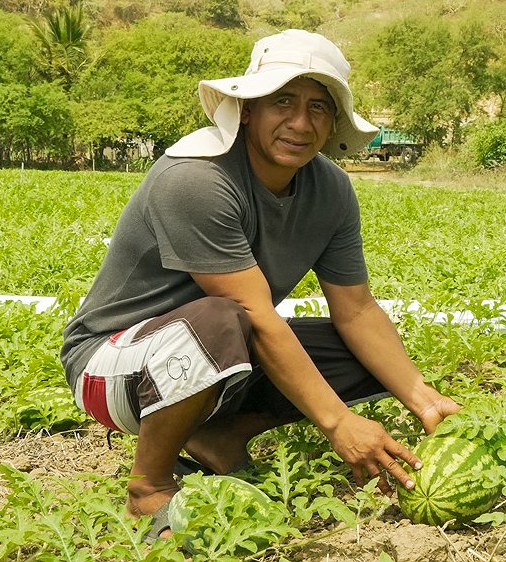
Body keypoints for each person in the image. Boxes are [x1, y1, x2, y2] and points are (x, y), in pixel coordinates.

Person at [60, 29, 461, 541]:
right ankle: (149, 486)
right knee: (226, 317)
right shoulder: (197, 178)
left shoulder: (330, 190)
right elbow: (252, 312)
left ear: (334, 121)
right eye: (282, 101)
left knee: (359, 349)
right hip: (111, 366)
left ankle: (219, 433)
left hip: (212, 349)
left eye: (319, 107)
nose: (300, 122)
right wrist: (339, 425)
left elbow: (357, 310)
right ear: (247, 109)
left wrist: (425, 401)